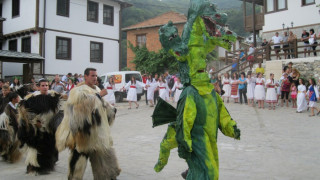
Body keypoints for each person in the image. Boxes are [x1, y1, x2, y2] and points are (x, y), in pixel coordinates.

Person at [55, 68, 120, 179]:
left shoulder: (96, 89)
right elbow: (80, 108)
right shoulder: (78, 91)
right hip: (83, 136)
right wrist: (99, 96)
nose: (95, 78)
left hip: (98, 134)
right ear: (85, 76)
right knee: (77, 166)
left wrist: (111, 110)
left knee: (105, 165)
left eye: (96, 76)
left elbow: (102, 106)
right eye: (92, 75)